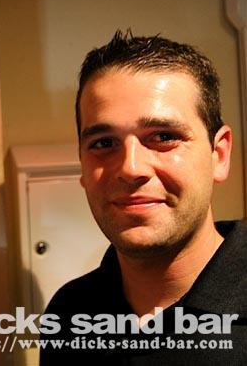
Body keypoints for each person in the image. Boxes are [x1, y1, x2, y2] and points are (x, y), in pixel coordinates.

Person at [40, 31, 247, 364]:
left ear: (219, 155)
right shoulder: (69, 313)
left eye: (163, 136)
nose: (130, 168)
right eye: (103, 143)